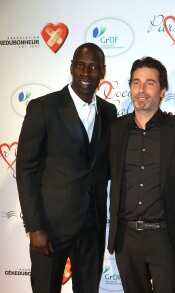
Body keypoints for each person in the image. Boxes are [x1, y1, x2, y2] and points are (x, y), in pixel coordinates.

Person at [16, 42, 117, 293]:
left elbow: (109, 164)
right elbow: (26, 169)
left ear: (103, 72)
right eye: (80, 66)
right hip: (50, 228)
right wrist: (35, 226)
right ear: (71, 67)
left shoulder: (109, 111)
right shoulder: (43, 108)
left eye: (94, 67)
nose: (86, 73)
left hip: (92, 227)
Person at [107, 56, 175, 293]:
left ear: (163, 90)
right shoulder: (115, 129)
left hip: (165, 236)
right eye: (136, 82)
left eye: (149, 83)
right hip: (126, 237)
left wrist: (173, 185)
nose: (141, 89)